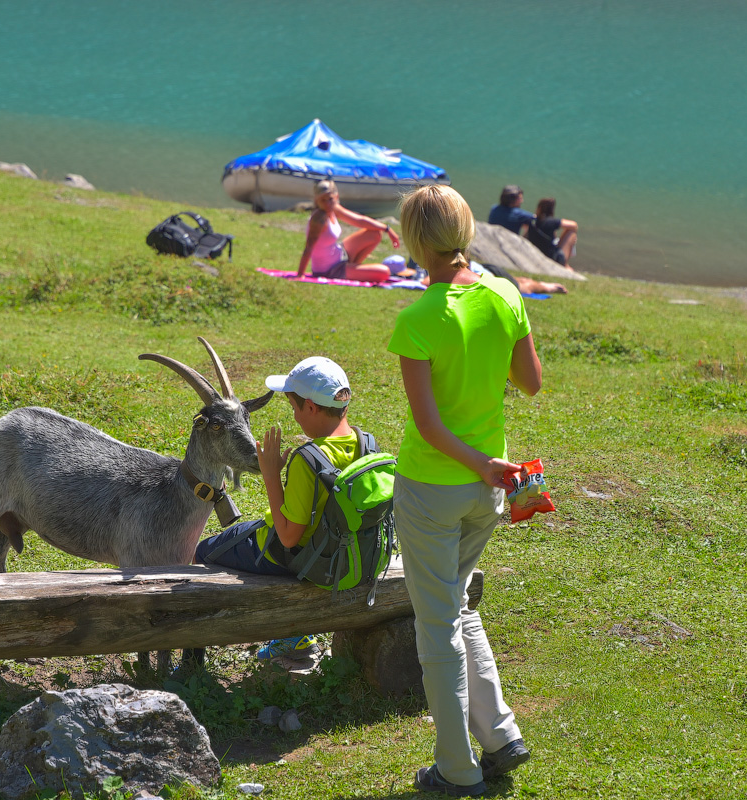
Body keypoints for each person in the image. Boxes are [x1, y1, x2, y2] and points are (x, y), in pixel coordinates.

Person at [388, 185, 542, 796]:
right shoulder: (506, 294)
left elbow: (427, 426)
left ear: (414, 240)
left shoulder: (417, 319)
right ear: (467, 229)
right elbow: (530, 382)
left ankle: (456, 769)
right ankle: (501, 736)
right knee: (457, 606)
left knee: (437, 627)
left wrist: (477, 463)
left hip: (434, 486)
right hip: (492, 488)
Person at [192, 356, 371, 661]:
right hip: (347, 550)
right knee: (241, 530)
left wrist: (272, 474)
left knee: (199, 554)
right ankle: (295, 636)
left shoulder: (309, 460)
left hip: (296, 553)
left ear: (312, 408)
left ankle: (194, 656)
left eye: (294, 408)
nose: (295, 417)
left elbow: (288, 537)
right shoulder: (365, 443)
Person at [298, 179, 401, 283]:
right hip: (330, 270)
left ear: (336, 196)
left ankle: (354, 268)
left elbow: (360, 221)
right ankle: (354, 270)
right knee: (385, 272)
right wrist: (300, 275)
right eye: (323, 200)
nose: (327, 203)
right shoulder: (319, 218)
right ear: (316, 201)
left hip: (340, 253)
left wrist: (387, 229)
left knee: (375, 234)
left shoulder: (334, 208)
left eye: (330, 199)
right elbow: (309, 247)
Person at [525, 197, 578, 269]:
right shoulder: (552, 222)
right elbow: (574, 225)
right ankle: (565, 265)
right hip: (551, 258)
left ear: (539, 208)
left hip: (534, 255)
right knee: (571, 232)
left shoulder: (533, 222)